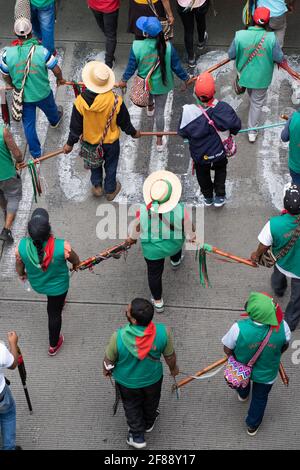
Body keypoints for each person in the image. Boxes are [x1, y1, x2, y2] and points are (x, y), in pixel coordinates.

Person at [103, 298, 179, 449]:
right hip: (153, 379)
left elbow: (108, 360)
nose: (126, 309)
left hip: (127, 382)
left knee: (131, 406)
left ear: (134, 320)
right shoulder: (163, 332)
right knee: (152, 401)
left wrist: (106, 370)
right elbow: (170, 356)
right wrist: (173, 369)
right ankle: (149, 422)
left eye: (128, 310)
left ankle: (137, 436)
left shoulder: (117, 337)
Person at [64, 61, 140, 200]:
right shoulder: (116, 101)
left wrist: (69, 143)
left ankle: (97, 186)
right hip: (110, 143)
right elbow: (125, 123)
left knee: (95, 164)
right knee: (111, 166)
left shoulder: (80, 102)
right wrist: (134, 133)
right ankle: (110, 190)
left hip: (90, 142)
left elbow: (75, 127)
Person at [119, 17, 193, 151]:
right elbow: (177, 67)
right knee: (160, 113)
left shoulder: (137, 46)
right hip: (162, 85)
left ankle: (150, 107)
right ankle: (159, 140)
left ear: (145, 33)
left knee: (149, 98)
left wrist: (124, 80)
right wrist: (186, 79)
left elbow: (131, 67)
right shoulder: (168, 47)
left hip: (145, 84)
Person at [222, 292, 290, 436]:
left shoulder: (238, 328)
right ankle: (252, 425)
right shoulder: (283, 326)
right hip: (267, 373)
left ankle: (243, 394)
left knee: (242, 383)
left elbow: (227, 349)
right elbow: (284, 346)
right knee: (260, 398)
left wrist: (236, 356)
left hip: (241, 368)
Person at [126, 170, 195, 313]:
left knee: (154, 274)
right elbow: (190, 229)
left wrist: (131, 239)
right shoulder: (180, 210)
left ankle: (158, 301)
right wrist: (192, 237)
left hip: (152, 251)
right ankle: (175, 262)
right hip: (173, 244)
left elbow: (137, 229)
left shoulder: (143, 211)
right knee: (176, 250)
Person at [15, 208, 80, 355]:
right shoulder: (61, 246)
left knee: (53, 305)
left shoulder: (21, 246)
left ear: (30, 233)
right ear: (49, 228)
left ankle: (57, 303)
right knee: (54, 313)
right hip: (58, 287)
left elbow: (19, 265)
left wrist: (22, 274)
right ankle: (53, 345)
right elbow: (75, 260)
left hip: (38, 284)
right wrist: (76, 265)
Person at [0, 18, 64, 159]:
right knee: (52, 110)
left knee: (28, 126)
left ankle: (36, 154)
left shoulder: (6, 54)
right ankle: (54, 121)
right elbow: (57, 70)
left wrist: (12, 84)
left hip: (24, 98)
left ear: (15, 34)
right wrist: (60, 80)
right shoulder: (42, 51)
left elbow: (4, 75)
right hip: (43, 93)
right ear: (31, 33)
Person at [178, 72, 241, 207]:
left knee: (202, 174)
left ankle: (208, 197)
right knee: (220, 170)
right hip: (219, 152)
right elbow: (236, 126)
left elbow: (182, 133)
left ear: (195, 93)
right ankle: (219, 196)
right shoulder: (223, 108)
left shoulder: (188, 112)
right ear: (214, 91)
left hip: (200, 154)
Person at [228, 6, 284, 143]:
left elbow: (231, 54)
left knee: (252, 95)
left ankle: (252, 104)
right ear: (267, 21)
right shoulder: (271, 38)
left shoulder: (240, 35)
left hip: (244, 77)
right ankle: (252, 131)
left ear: (253, 18)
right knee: (257, 103)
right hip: (262, 79)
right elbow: (279, 58)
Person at [251, 184, 300, 331]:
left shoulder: (273, 224)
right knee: (297, 299)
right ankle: (290, 323)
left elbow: (263, 245)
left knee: (278, 277)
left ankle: (279, 289)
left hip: (282, 262)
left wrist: (256, 255)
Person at [0, 125, 24, 243]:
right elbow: (17, 153)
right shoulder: (2, 131)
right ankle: (6, 229)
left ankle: (5, 208)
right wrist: (20, 161)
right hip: (6, 174)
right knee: (14, 196)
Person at [0, 331, 21, 450]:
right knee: (7, 415)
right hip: (0, 395)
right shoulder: (1, 350)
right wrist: (13, 343)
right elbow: (13, 364)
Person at [176, 0, 210, 68]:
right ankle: (201, 42)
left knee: (188, 30)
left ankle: (191, 58)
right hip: (200, 3)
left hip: (183, 4)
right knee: (201, 22)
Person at [87, 0, 120, 69]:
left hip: (94, 4)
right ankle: (108, 64)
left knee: (106, 32)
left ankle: (108, 62)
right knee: (110, 36)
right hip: (109, 6)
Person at [281, 109, 300, 185]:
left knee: (296, 186)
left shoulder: (294, 118)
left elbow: (284, 137)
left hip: (295, 166)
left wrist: (288, 125)